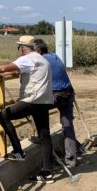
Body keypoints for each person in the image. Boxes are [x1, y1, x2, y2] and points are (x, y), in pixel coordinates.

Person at [0, 35, 56, 183]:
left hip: (32, 100)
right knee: (44, 135)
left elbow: (4, 67)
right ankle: (47, 172)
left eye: (18, 48)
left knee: (3, 116)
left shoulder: (27, 59)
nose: (18, 51)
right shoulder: (41, 59)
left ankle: (18, 151)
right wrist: (1, 75)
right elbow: (17, 72)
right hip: (44, 101)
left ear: (22, 49)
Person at [33, 38, 82, 168]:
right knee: (67, 125)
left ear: (38, 50)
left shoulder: (40, 60)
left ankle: (42, 137)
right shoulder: (55, 56)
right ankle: (71, 158)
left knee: (34, 107)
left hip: (57, 94)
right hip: (68, 93)